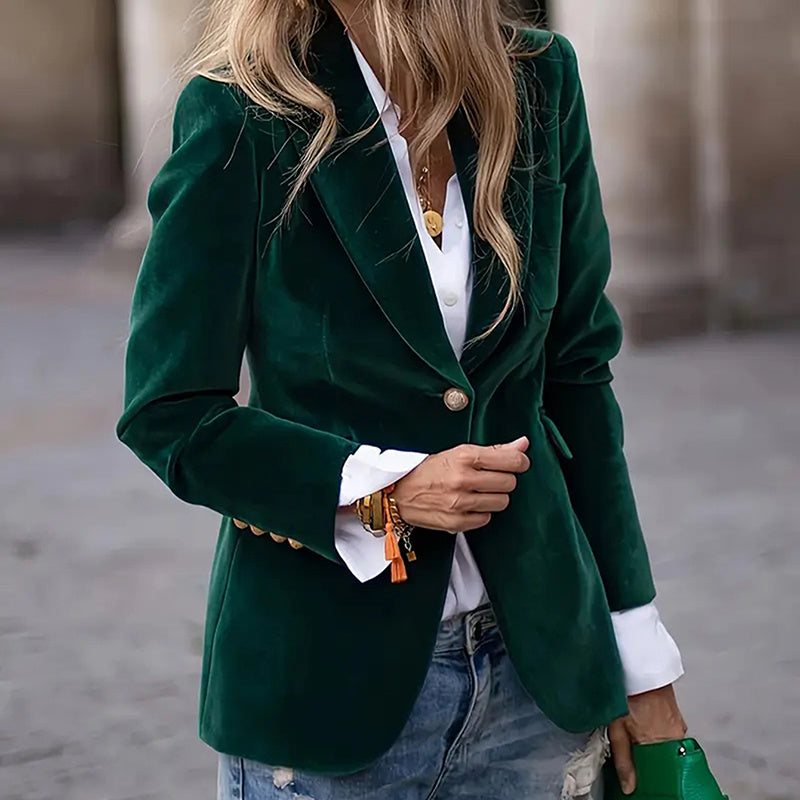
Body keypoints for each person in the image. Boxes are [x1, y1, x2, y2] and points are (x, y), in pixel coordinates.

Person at [116, 0, 688, 797]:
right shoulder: (243, 108)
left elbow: (579, 378)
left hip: (540, 678)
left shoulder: (540, 82)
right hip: (324, 686)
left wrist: (642, 660)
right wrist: (385, 491)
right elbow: (170, 412)